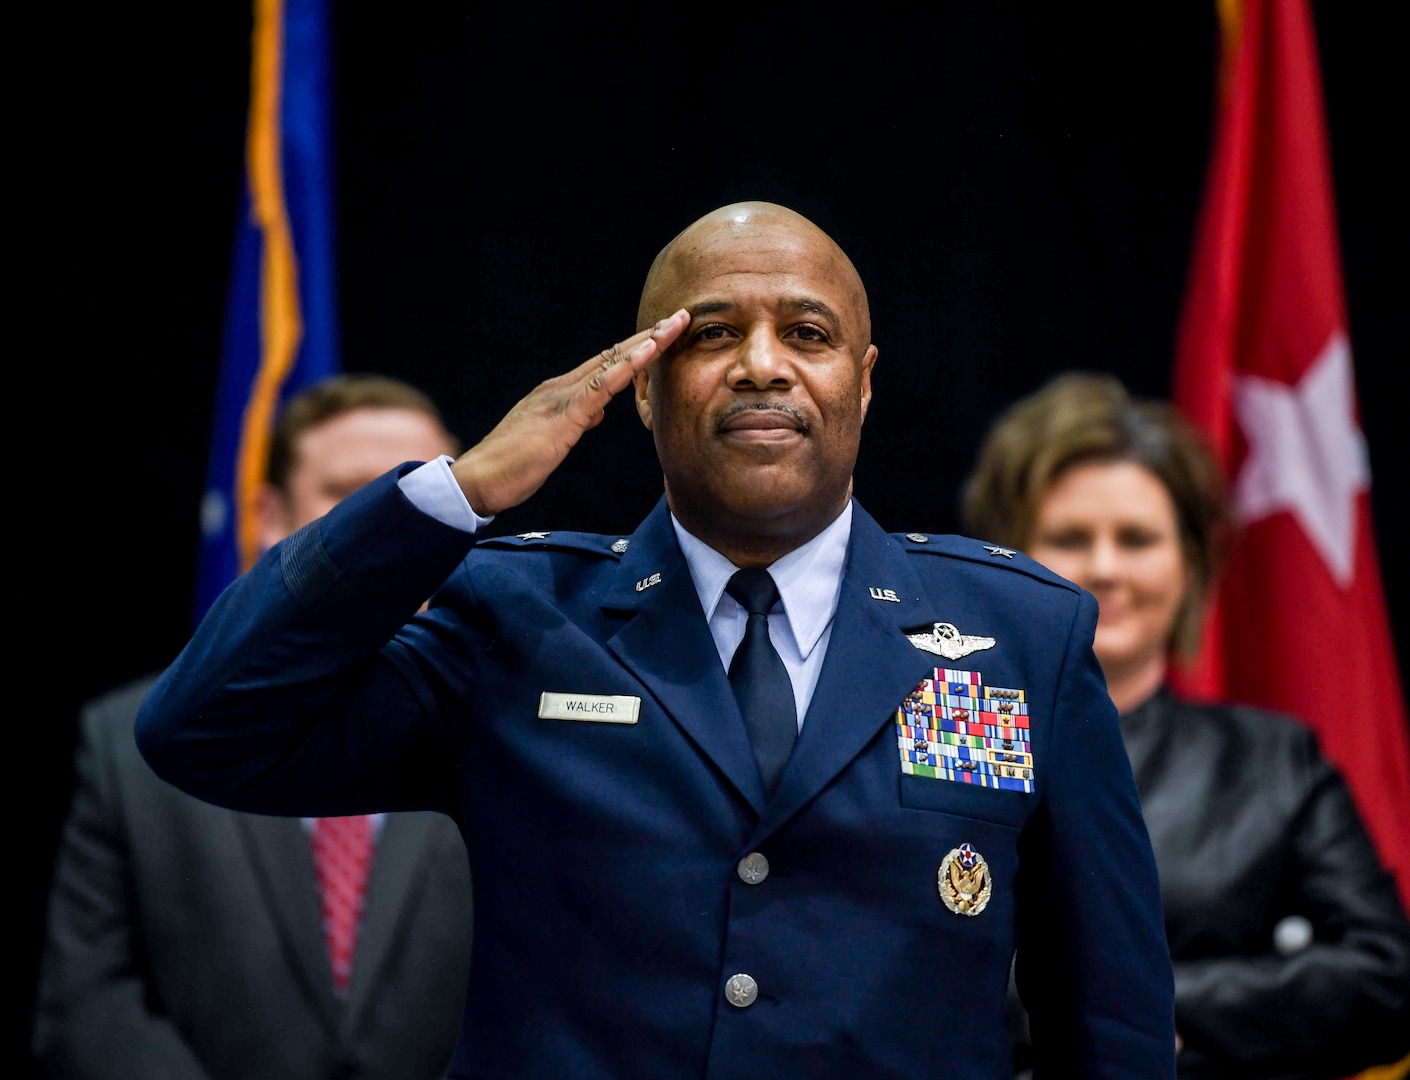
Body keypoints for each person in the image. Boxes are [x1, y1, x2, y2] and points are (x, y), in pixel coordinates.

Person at [136, 202, 1177, 1079]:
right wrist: (457, 495)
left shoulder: (1021, 634)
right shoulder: (517, 615)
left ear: (863, 381)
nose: (762, 366)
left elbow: (1112, 1019)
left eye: (807, 335)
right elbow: (206, 730)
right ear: (641, 383)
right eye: (710, 333)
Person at [961, 372, 1410, 1079]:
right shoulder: (934, 734)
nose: (1105, 568)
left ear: (1191, 565)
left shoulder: (1275, 761)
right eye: (1071, 537)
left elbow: (1387, 979)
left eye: (1137, 538)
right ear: (1005, 558)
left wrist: (1152, 1012)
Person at [34, 375, 477, 1080]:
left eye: (423, 496)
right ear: (270, 514)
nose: (397, 528)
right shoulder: (130, 743)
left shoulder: (514, 722)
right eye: (355, 496)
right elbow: (91, 1003)